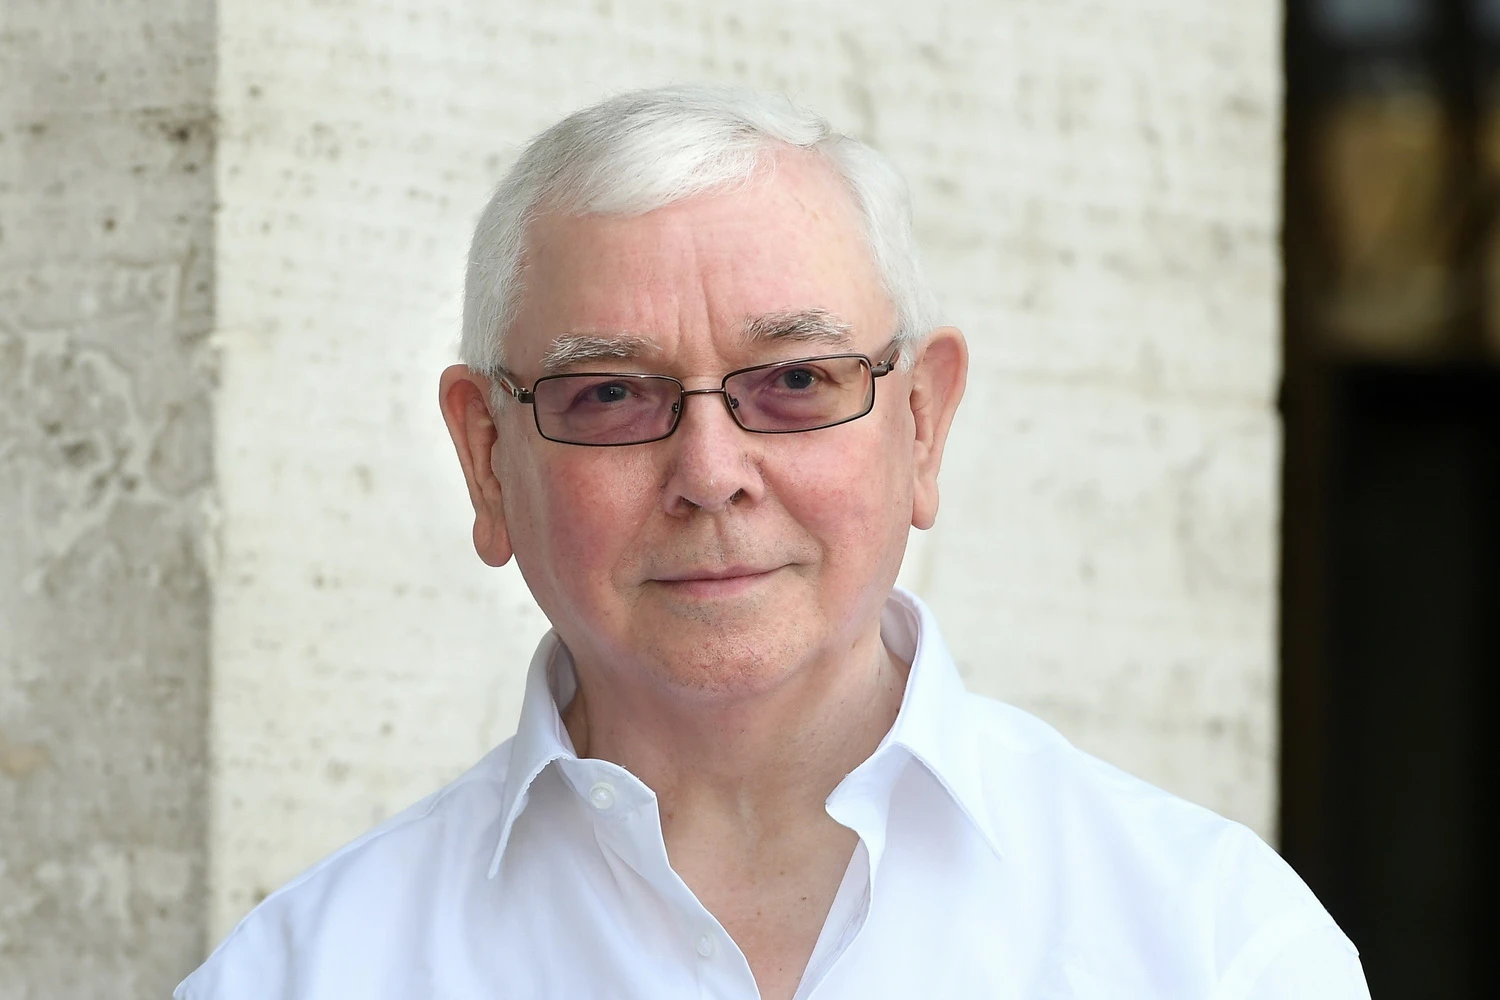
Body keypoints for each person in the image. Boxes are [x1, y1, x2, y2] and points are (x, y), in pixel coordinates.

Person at [176, 86, 1369, 999]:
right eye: (608, 394)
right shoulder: (305, 972)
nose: (710, 475)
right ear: (487, 456)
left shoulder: (1213, 944)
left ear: (923, 422)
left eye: (797, 379)